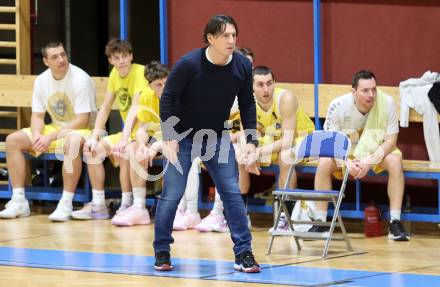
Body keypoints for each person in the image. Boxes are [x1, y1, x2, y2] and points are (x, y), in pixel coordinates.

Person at [154, 15, 261, 273]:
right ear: (210, 38)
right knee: (172, 196)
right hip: (182, 135)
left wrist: (251, 140)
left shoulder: (241, 67)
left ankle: (244, 253)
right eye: (225, 36)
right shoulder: (189, 64)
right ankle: (162, 250)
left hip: (216, 135)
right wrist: (169, 137)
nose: (231, 40)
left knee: (232, 194)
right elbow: (167, 99)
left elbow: (247, 104)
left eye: (234, 35)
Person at [0, 41, 96, 221]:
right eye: (55, 57)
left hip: (83, 129)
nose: (61, 59)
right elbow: (37, 116)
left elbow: (82, 120)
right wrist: (37, 135)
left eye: (63, 54)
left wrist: (49, 137)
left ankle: (66, 203)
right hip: (57, 127)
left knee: (71, 142)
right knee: (13, 140)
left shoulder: (81, 79)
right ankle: (19, 200)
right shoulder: (42, 80)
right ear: (46, 61)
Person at [314, 69, 410, 241]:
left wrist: (369, 161)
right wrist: (345, 163)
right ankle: (320, 222)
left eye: (373, 89)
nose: (371, 94)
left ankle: (395, 222)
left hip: (375, 150)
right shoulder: (338, 106)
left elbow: (391, 141)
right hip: (346, 152)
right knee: (323, 163)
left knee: (395, 159)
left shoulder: (386, 102)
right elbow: (330, 142)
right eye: (365, 90)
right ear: (354, 92)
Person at [173, 47, 255, 233]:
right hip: (214, 137)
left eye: (249, 64)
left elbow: (247, 128)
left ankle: (220, 213)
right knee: (189, 157)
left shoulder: (252, 91)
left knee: (227, 154)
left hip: (241, 142)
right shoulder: (220, 87)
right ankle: (189, 210)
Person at [72, 38, 149, 226]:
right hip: (126, 132)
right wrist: (94, 136)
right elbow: (105, 107)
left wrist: (124, 138)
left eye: (125, 56)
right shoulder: (115, 74)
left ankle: (127, 203)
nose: (121, 61)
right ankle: (98, 204)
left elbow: (136, 109)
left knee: (125, 152)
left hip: (143, 131)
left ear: (131, 56)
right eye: (117, 57)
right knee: (92, 150)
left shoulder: (140, 72)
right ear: (110, 60)